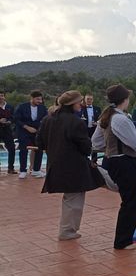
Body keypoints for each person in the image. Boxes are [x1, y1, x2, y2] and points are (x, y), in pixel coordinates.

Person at [92, 84, 136, 250]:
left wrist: (111, 147)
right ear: (125, 99)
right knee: (131, 201)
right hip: (125, 162)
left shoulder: (107, 117)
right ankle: (123, 241)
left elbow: (96, 143)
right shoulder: (120, 119)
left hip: (123, 160)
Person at [37, 91, 104, 241]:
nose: (81, 104)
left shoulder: (47, 120)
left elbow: (39, 143)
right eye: (79, 101)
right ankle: (67, 231)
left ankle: (67, 230)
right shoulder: (76, 122)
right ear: (72, 104)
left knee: (70, 197)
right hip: (74, 167)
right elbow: (86, 147)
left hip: (55, 164)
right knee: (74, 198)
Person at [14, 90, 48, 179]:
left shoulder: (43, 108)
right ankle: (22, 171)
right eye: (37, 99)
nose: (39, 101)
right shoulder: (22, 107)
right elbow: (16, 119)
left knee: (39, 149)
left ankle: (36, 170)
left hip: (37, 132)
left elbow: (46, 119)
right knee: (23, 151)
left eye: (40, 99)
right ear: (32, 98)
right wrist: (27, 127)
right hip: (24, 131)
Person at [80, 93, 101, 162]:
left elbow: (100, 119)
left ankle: (94, 161)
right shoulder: (81, 108)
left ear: (93, 100)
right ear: (85, 100)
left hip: (94, 129)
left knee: (94, 145)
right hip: (84, 130)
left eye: (91, 99)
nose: (89, 100)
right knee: (84, 144)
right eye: (88, 99)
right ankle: (84, 160)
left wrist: (97, 123)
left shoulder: (97, 109)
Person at [0, 90, 16, 174]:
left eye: (2, 95)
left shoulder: (10, 106)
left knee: (12, 149)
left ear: (4, 97)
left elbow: (13, 117)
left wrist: (9, 121)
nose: (0, 97)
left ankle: (11, 168)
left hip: (7, 130)